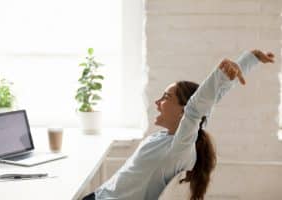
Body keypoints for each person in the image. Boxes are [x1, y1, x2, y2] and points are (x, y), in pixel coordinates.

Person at [82, 49, 275, 200]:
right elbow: (211, 100)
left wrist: (221, 75)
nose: (157, 102)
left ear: (183, 110)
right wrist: (250, 59)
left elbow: (197, 109)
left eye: (166, 97)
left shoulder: (180, 149)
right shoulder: (166, 138)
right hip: (99, 195)